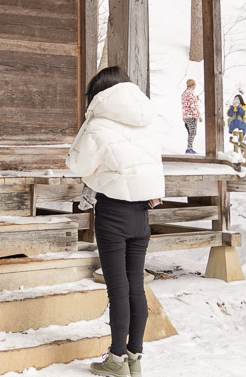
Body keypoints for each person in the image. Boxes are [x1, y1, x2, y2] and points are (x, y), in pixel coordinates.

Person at [67, 67, 165, 377]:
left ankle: (116, 359)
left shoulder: (99, 122)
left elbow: (76, 163)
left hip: (112, 212)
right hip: (142, 212)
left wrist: (89, 124)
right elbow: (154, 165)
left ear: (99, 94)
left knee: (117, 290)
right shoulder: (146, 119)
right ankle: (135, 357)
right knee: (136, 286)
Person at [181, 79, 201, 154]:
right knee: (193, 132)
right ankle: (189, 148)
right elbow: (193, 106)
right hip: (191, 116)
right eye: (194, 84)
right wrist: (198, 116)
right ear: (192, 85)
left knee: (190, 132)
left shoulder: (184, 93)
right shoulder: (191, 94)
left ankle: (189, 147)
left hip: (185, 116)